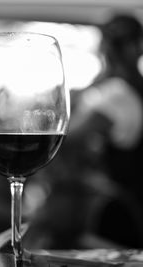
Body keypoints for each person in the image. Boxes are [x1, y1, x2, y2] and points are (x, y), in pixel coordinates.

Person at [23, 13, 143, 250]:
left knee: (51, 233)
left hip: (119, 210)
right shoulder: (126, 88)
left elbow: (66, 140)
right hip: (125, 202)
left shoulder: (116, 94)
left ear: (106, 47)